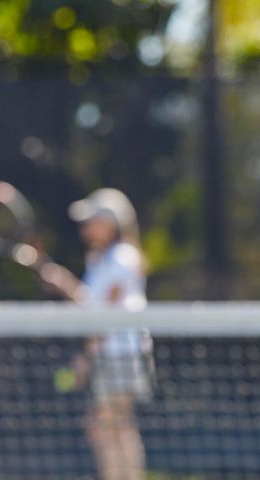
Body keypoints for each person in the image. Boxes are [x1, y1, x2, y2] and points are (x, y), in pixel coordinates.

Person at [40, 188, 152, 480]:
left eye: (92, 219)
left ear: (112, 223)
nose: (86, 226)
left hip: (122, 356)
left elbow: (108, 312)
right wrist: (63, 283)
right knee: (114, 427)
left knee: (107, 427)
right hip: (110, 355)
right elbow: (91, 304)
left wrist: (86, 356)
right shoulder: (99, 260)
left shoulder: (123, 257)